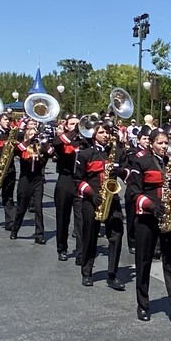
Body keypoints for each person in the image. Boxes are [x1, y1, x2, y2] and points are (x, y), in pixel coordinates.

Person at [126, 128, 171, 326]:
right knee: (144, 261)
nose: (164, 147)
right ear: (151, 143)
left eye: (166, 143)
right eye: (160, 143)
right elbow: (133, 192)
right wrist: (151, 206)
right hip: (147, 218)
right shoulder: (141, 161)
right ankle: (143, 304)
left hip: (169, 216)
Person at [74, 122, 126, 289]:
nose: (105, 135)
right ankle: (87, 271)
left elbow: (127, 171)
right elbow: (78, 180)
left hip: (112, 199)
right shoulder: (85, 154)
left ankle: (112, 274)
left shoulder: (116, 152)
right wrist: (91, 193)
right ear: (94, 134)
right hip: (92, 199)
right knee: (89, 236)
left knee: (117, 235)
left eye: (107, 132)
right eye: (102, 132)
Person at [10, 122, 52, 243]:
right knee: (21, 208)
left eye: (35, 134)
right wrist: (28, 140)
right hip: (25, 180)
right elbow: (17, 151)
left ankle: (39, 235)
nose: (34, 136)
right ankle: (15, 229)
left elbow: (51, 153)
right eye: (31, 134)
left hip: (38, 180)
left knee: (38, 208)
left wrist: (44, 143)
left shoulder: (41, 149)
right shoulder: (23, 148)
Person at [51, 115, 83, 261]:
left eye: (78, 124)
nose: (76, 126)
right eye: (72, 124)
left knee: (81, 218)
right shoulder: (62, 139)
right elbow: (56, 144)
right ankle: (61, 248)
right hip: (65, 179)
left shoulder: (85, 141)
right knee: (63, 216)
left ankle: (81, 251)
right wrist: (72, 132)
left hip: (80, 181)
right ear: (66, 126)